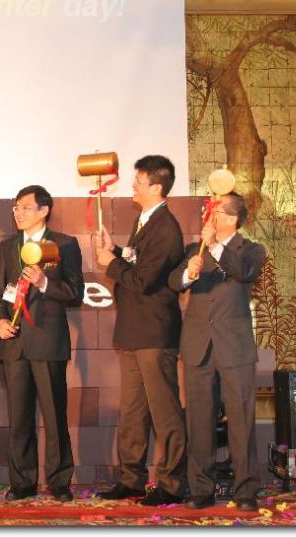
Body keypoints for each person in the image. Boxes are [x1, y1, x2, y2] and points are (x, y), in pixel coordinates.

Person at [96, 155, 187, 506]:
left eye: (138, 181)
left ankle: (172, 483)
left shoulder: (167, 228)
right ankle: (131, 479)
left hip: (155, 333)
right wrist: (116, 251)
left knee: (164, 412)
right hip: (133, 331)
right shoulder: (144, 219)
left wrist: (111, 263)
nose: (132, 186)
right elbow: (138, 262)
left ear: (157, 187)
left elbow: (145, 280)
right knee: (133, 411)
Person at [168, 192, 265, 512]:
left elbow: (244, 272)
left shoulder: (250, 250)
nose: (208, 215)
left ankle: (246, 490)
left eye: (216, 210)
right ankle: (201, 488)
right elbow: (174, 282)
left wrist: (215, 247)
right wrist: (189, 272)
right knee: (198, 421)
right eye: (208, 210)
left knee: (240, 420)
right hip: (198, 346)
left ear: (232, 218)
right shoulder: (193, 250)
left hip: (234, 347)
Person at [0, 185, 84, 502]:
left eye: (25, 207)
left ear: (44, 210)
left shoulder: (63, 244)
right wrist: (0, 321)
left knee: (54, 416)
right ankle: (22, 482)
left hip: (48, 342)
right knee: (19, 417)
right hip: (15, 344)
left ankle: (59, 482)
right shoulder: (8, 246)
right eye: (16, 207)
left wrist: (44, 283)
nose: (18, 213)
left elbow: (75, 292)